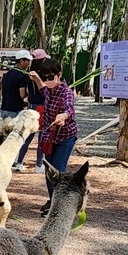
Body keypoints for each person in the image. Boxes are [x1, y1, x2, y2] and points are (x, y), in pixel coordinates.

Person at [36, 57, 78, 217]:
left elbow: (70, 108)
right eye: (44, 78)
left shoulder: (65, 91)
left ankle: (61, 206)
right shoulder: (49, 89)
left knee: (58, 170)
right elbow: (42, 90)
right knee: (49, 171)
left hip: (65, 137)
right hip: (49, 136)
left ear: (59, 75)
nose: (48, 81)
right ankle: (53, 199)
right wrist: (36, 79)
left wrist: (64, 116)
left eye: (51, 77)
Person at [16, 48, 50, 174]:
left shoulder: (27, 74)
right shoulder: (44, 74)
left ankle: (19, 162)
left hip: (31, 107)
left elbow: (25, 92)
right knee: (42, 137)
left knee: (27, 136)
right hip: (42, 108)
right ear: (42, 59)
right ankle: (39, 165)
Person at [0, 49, 33, 171]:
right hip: (15, 110)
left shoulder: (8, 74)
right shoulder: (21, 76)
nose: (28, 63)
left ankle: (3, 159)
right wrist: (29, 100)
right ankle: (13, 161)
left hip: (4, 109)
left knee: (6, 136)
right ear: (21, 61)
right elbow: (22, 95)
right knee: (15, 137)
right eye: (27, 60)